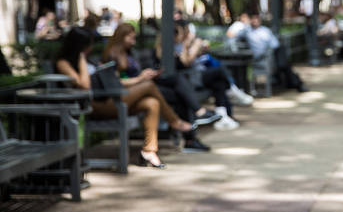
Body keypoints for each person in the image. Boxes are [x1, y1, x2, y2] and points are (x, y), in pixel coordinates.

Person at [55, 27, 198, 169]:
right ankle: (174, 121)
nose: (90, 48)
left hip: (108, 99)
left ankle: (149, 150)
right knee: (148, 85)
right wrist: (81, 59)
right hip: (94, 105)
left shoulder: (89, 60)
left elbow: (108, 80)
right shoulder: (64, 63)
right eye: (88, 45)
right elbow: (85, 86)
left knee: (152, 103)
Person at [102, 23, 218, 152]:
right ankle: (183, 126)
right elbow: (115, 81)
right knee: (174, 91)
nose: (134, 42)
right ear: (121, 37)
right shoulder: (112, 55)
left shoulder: (128, 53)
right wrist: (141, 78)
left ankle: (184, 137)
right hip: (128, 93)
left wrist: (148, 74)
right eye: (131, 38)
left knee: (178, 86)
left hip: (141, 87)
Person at [170, 20, 241, 130]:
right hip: (189, 80)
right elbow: (186, 62)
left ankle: (224, 117)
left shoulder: (185, 44)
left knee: (219, 83)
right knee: (219, 71)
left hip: (195, 76)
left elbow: (193, 59)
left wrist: (199, 49)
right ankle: (231, 90)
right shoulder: (175, 46)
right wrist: (189, 45)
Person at [237, 13, 308, 92]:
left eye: (257, 19)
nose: (255, 21)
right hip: (261, 57)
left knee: (281, 53)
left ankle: (290, 80)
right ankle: (296, 83)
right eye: (253, 19)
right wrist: (245, 23)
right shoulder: (247, 31)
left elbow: (275, 44)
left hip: (273, 54)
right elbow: (234, 35)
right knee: (284, 63)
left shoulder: (265, 30)